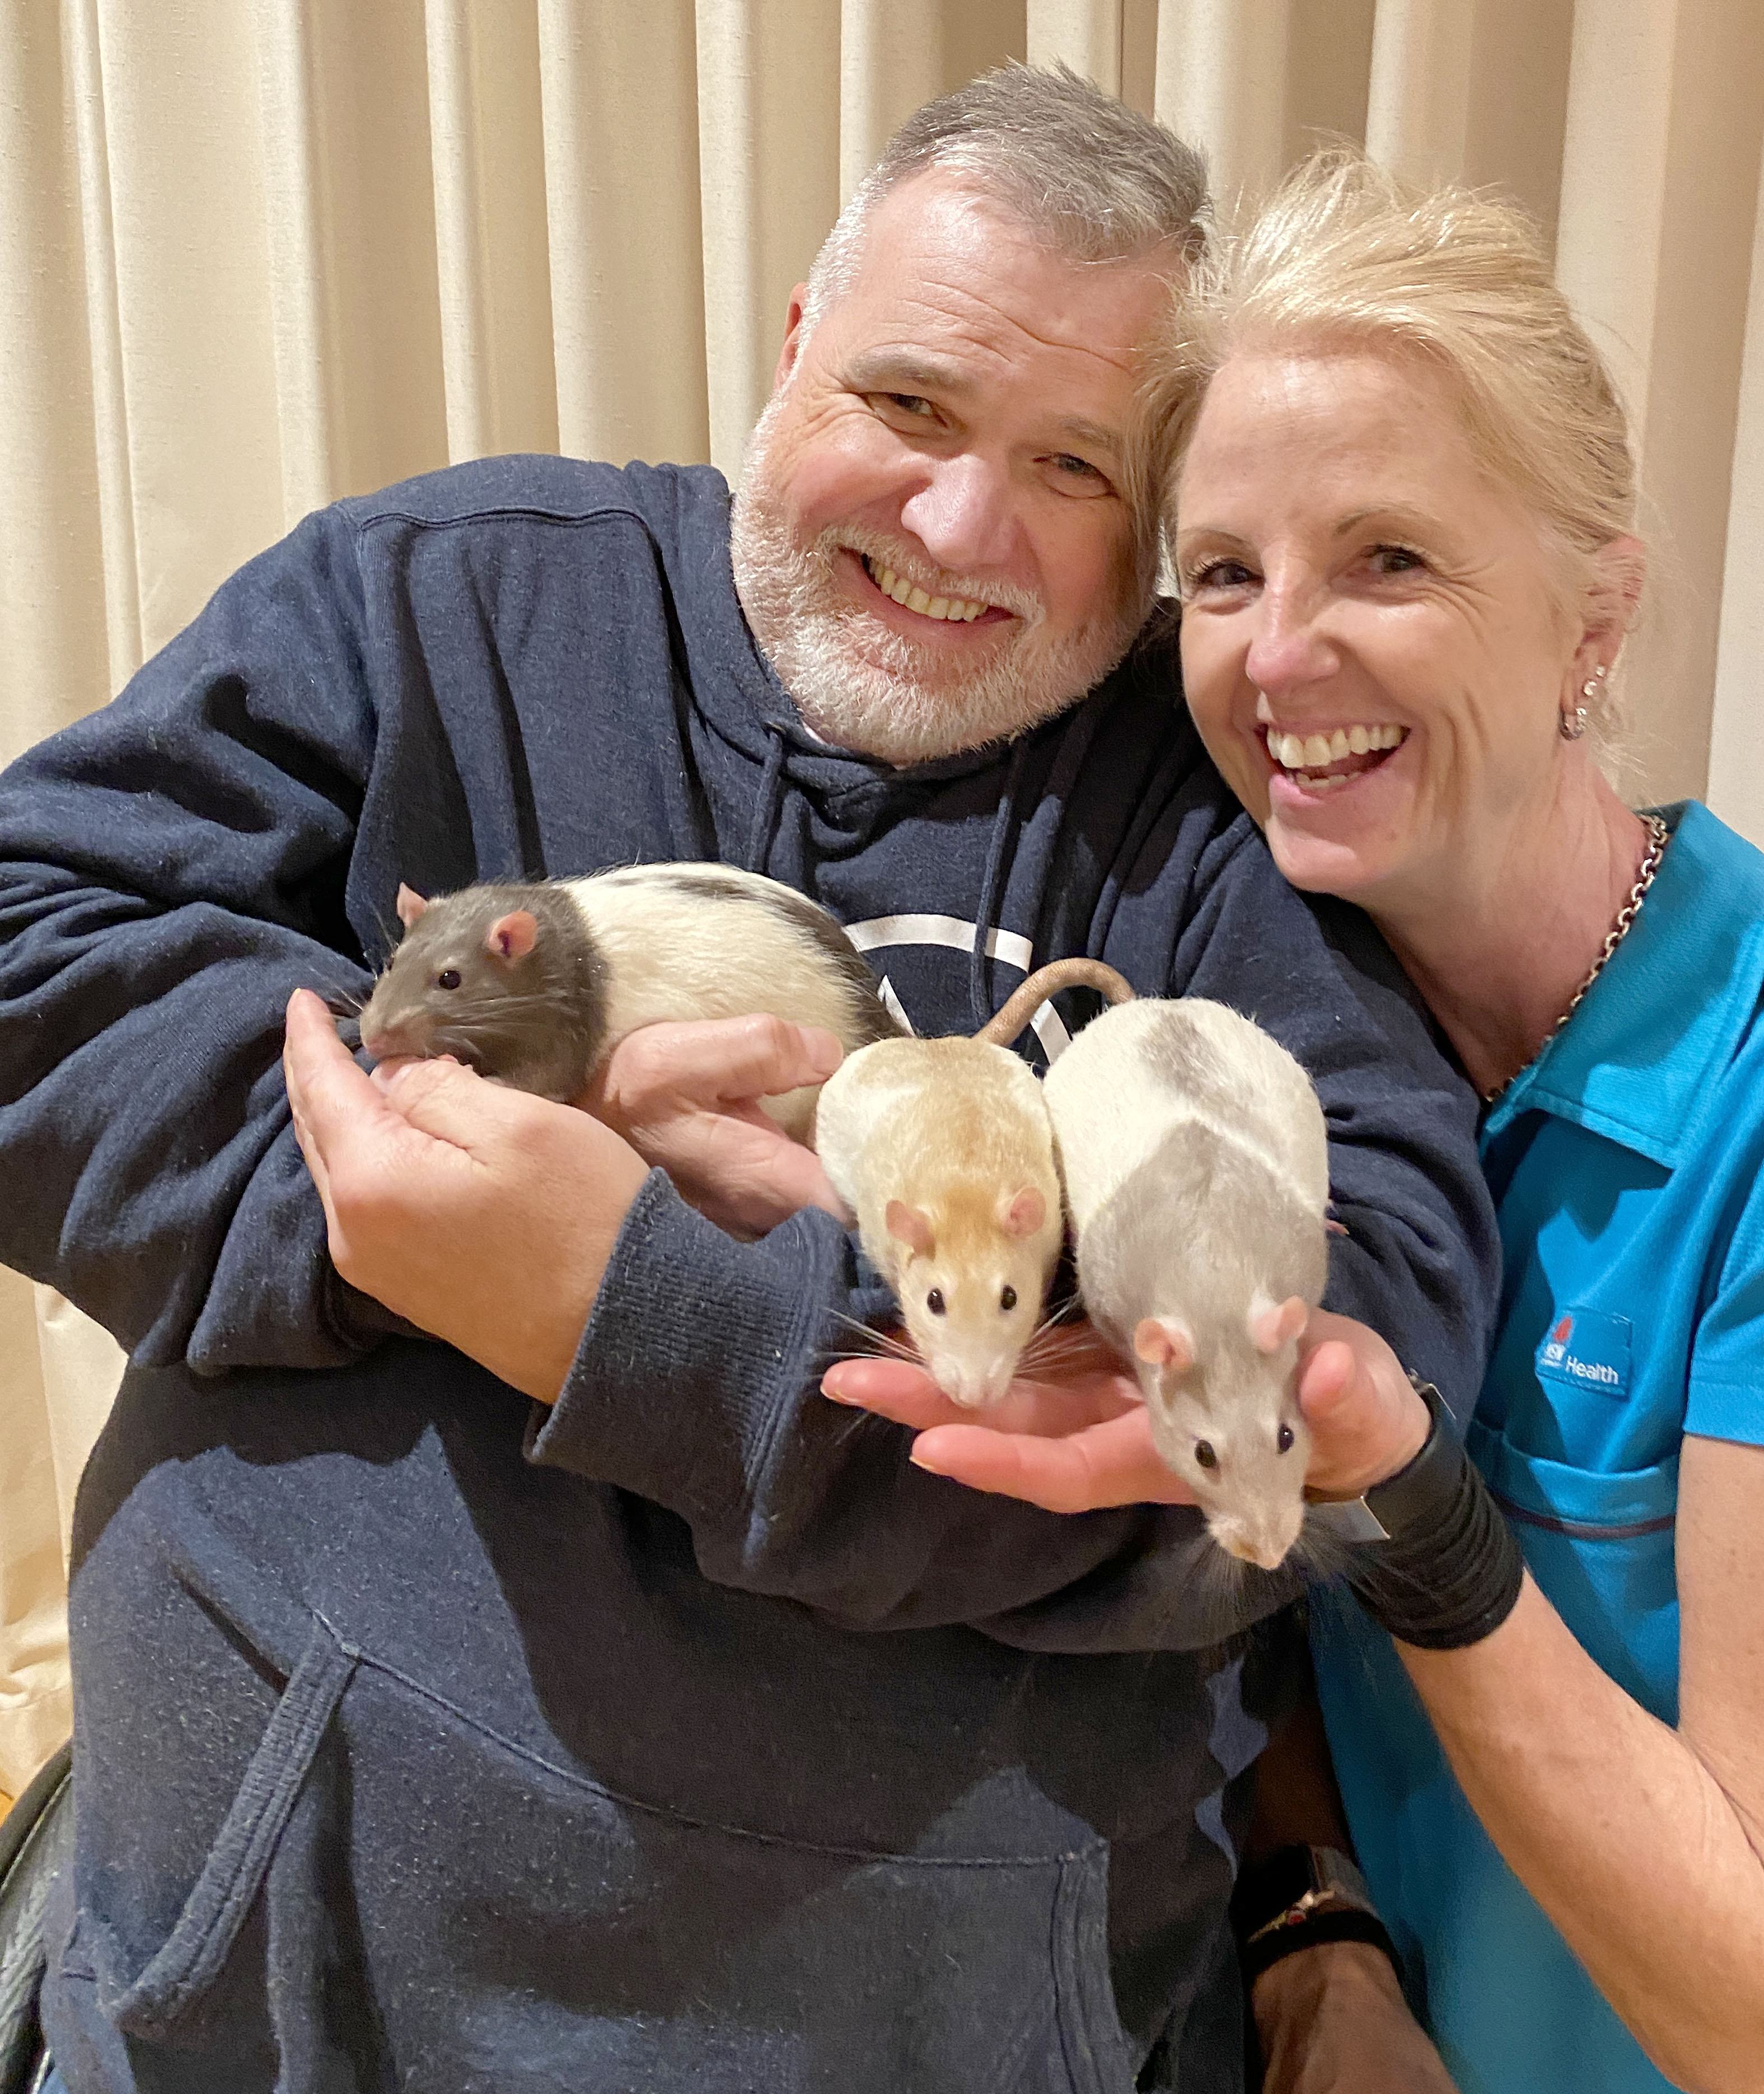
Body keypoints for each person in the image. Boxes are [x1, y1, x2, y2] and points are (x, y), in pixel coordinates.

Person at [0, 78, 1498, 2093]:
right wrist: (416, 1204)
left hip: (962, 2023)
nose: (961, 526)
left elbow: (1358, 1351)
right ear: (794, 347)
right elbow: (31, 943)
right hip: (263, 1994)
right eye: (906, 405)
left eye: (1073, 463)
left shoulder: (1212, 807)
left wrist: (653, 1311)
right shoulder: (454, 596)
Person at [831, 152, 1764, 2093]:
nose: (1281, 657)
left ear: (1593, 615)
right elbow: (1245, 1598)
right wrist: (1314, 1919)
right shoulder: (1261, 1060)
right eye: (1224, 574)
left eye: (1391, 560)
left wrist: (1416, 1500)